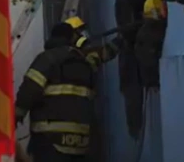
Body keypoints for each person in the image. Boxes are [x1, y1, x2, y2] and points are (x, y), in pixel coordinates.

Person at [15, 17, 120, 162]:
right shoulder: (85, 63)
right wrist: (120, 41)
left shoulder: (47, 59)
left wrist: (15, 117)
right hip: (80, 143)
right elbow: (103, 54)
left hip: (49, 141)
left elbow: (29, 90)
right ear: (71, 38)